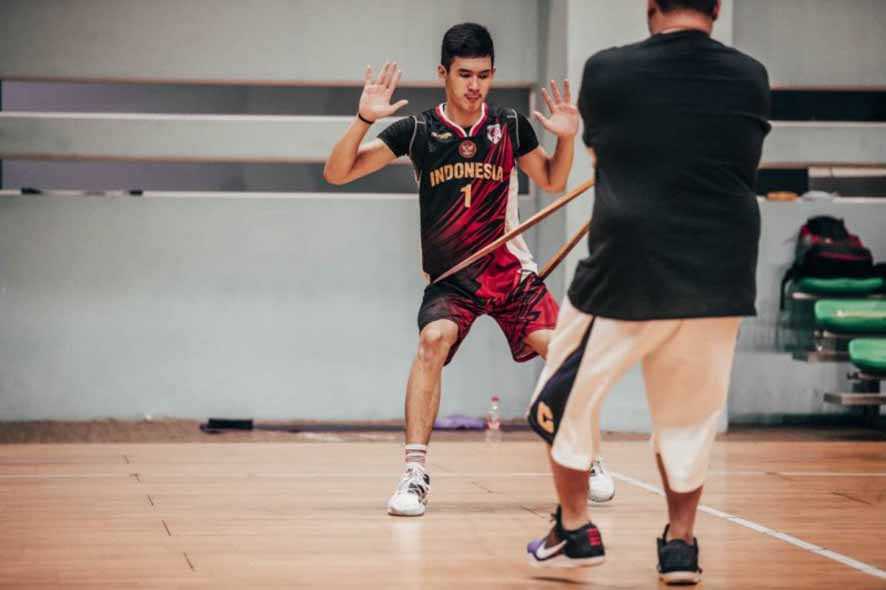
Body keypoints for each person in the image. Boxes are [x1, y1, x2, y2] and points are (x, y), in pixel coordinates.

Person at [324, 22, 615, 516]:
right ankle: (414, 473)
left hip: (509, 272)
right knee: (431, 341)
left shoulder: (509, 124)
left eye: (483, 74)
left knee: (565, 352)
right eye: (464, 74)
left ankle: (583, 456)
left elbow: (553, 179)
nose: (474, 85)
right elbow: (338, 172)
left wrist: (566, 139)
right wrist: (361, 119)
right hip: (453, 278)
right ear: (443, 73)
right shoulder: (417, 130)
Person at [524, 1, 770, 584]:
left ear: (650, 8)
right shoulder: (751, 76)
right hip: (723, 265)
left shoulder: (607, 70)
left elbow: (605, 153)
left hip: (627, 267)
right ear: (716, 8)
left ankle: (577, 527)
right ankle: (680, 545)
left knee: (560, 402)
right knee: (690, 419)